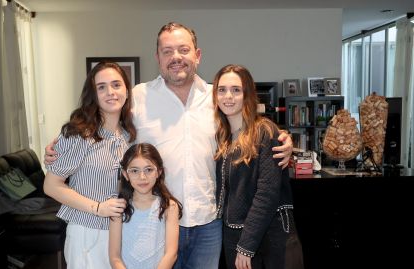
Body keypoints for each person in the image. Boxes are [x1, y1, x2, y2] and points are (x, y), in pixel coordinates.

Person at [45, 22, 294, 268]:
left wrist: (282, 136)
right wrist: (64, 144)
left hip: (208, 225)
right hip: (155, 222)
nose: (176, 57)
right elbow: (106, 124)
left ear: (197, 55)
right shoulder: (138, 98)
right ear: (158, 57)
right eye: (167, 51)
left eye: (183, 50)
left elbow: (247, 128)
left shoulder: (216, 98)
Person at [43, 62, 136, 269]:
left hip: (121, 232)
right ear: (93, 94)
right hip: (88, 232)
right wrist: (97, 208)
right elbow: (51, 185)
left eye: (116, 85)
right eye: (101, 87)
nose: (110, 92)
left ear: (127, 92)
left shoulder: (129, 135)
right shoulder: (78, 133)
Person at [213, 64, 303, 269]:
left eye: (236, 90)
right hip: (233, 235)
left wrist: (246, 246)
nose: (228, 96)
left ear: (248, 94)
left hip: (267, 237)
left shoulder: (265, 131)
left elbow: (267, 194)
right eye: (222, 89)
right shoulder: (222, 136)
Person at [109, 143, 182, 269]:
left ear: (159, 171)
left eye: (148, 170)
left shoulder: (169, 207)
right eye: (135, 171)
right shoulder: (118, 208)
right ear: (126, 174)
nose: (142, 177)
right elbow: (114, 256)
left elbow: (171, 254)